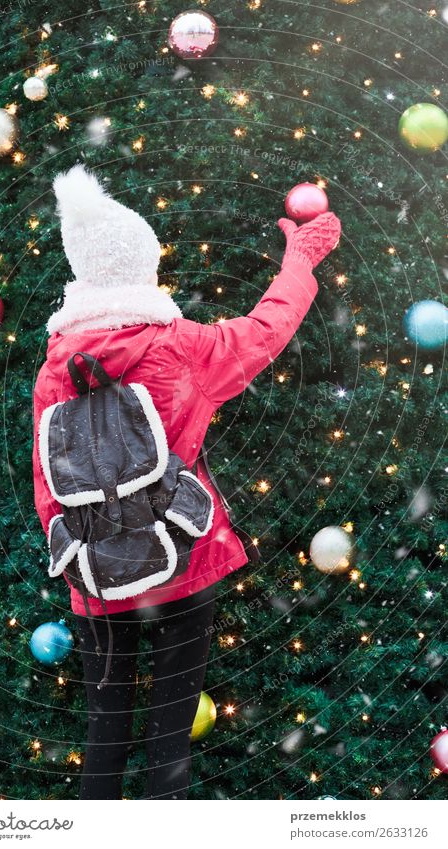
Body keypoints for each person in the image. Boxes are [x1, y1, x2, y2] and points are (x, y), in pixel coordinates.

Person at [32, 164, 341, 799]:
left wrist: (82, 566)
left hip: (94, 575)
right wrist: (299, 261)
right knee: (170, 736)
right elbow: (266, 331)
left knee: (105, 729)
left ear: (84, 276)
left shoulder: (54, 368)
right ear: (143, 269)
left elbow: (50, 483)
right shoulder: (181, 346)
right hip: (183, 557)